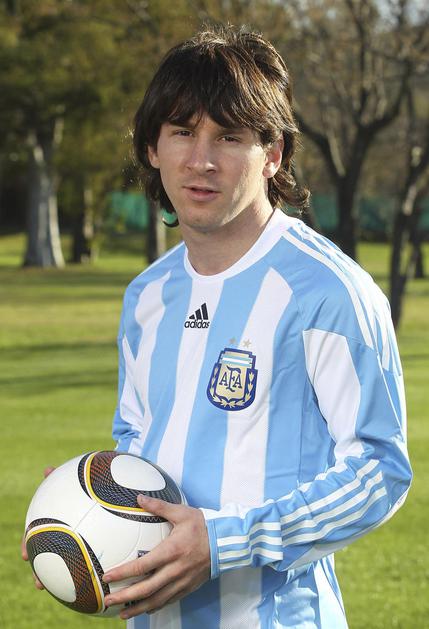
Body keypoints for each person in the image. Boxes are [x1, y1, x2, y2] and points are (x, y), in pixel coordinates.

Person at [26, 25, 412, 629]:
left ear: (273, 154)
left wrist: (226, 542)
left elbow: (380, 471)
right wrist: (86, 504)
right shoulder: (147, 296)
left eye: (229, 136)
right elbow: (137, 440)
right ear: (152, 148)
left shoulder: (329, 291)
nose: (201, 160)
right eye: (182, 131)